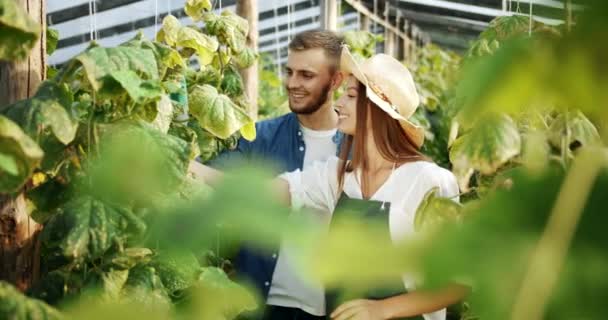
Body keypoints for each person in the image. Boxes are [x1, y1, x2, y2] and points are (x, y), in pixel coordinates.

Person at [193, 47, 469, 319]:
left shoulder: (428, 180)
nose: (338, 104)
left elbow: (456, 283)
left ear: (377, 109)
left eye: (350, 96)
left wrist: (382, 310)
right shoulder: (338, 175)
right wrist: (189, 168)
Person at [207, 30, 345, 319]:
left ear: (335, 81)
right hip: (262, 303)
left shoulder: (354, 147)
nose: (292, 83)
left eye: (306, 75)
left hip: (331, 308)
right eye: (289, 72)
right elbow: (212, 179)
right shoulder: (260, 136)